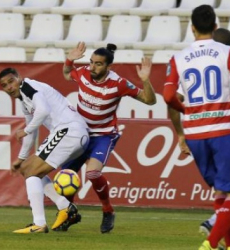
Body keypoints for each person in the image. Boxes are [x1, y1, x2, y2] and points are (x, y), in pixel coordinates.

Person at [163, 5, 230, 250]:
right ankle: (209, 244)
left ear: (192, 28)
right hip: (224, 130)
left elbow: (167, 97)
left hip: (195, 134)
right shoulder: (226, 52)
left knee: (221, 191)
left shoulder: (178, 58)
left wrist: (188, 111)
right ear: (216, 26)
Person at [57, 42, 156, 233]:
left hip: (103, 135)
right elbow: (67, 74)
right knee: (66, 176)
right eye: (91, 62)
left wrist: (145, 80)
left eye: (98, 64)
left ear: (108, 67)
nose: (92, 67)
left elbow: (150, 100)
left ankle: (108, 210)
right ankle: (69, 213)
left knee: (92, 173)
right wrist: (69, 59)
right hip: (80, 134)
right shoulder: (84, 72)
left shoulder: (118, 83)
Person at [0, 67, 89, 233]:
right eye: (4, 85)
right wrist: (21, 158)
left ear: (19, 78)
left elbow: (43, 111)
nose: (9, 87)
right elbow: (31, 130)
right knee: (28, 169)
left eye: (11, 81)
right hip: (73, 133)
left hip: (69, 130)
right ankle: (66, 208)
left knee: (31, 171)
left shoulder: (28, 87)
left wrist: (25, 131)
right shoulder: (24, 100)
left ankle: (39, 223)